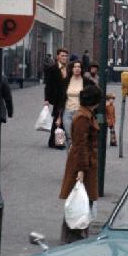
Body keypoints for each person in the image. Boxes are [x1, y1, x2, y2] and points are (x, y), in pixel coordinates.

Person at [59, 84, 103, 243]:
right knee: (80, 199)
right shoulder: (83, 117)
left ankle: (75, 233)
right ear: (95, 101)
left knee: (81, 198)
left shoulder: (87, 114)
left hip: (86, 162)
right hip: (83, 163)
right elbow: (81, 145)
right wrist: (81, 170)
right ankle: (74, 235)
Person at [57, 61, 95, 148]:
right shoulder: (66, 81)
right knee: (69, 136)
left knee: (79, 137)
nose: (77, 69)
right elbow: (61, 100)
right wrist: (59, 117)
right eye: (75, 67)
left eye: (79, 67)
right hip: (67, 112)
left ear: (81, 69)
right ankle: (70, 158)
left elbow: (95, 93)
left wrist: (91, 108)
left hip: (80, 113)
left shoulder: (86, 81)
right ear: (72, 69)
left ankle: (77, 157)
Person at [44, 48, 69, 149]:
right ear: (57, 56)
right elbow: (48, 85)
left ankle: (52, 141)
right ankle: (59, 142)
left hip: (67, 97)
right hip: (57, 97)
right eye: (62, 55)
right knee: (60, 119)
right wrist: (46, 99)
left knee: (58, 118)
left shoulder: (68, 68)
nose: (64, 58)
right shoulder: (52, 69)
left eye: (66, 56)